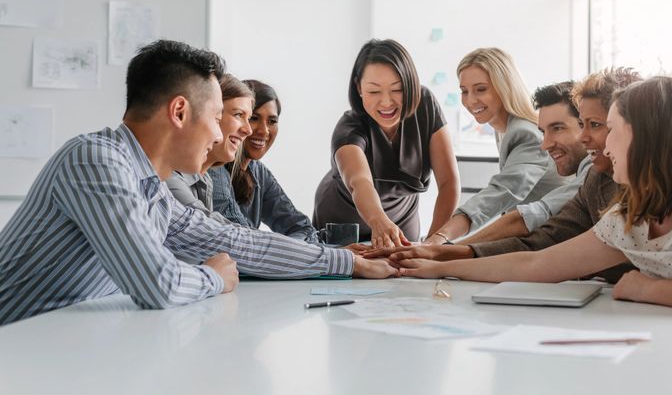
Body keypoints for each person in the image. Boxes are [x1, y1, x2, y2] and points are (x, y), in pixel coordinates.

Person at [0, 40, 396, 326]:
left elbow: (239, 242)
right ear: (179, 111)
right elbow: (157, 283)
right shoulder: (96, 161)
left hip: (55, 344)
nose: (220, 134)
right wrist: (213, 277)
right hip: (18, 348)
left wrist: (347, 262)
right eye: (216, 116)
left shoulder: (150, 187)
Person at [397, 76, 672, 346]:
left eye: (611, 129)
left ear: (643, 135)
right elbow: (536, 266)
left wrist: (647, 288)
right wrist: (437, 267)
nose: (604, 148)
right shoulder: (633, 207)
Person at [370, 68, 639, 284]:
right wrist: (439, 256)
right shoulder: (596, 179)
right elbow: (539, 245)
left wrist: (440, 251)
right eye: (464, 91)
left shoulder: (526, 134)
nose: (545, 144)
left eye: (594, 125)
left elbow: (519, 211)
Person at [313, 39, 460, 249]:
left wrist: (434, 242)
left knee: (406, 272)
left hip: (402, 216)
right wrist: (379, 221)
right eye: (374, 91)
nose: (386, 102)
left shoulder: (425, 105)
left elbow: (449, 183)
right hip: (342, 217)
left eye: (397, 89)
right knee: (346, 274)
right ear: (359, 88)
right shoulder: (348, 128)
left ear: (410, 84)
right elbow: (359, 181)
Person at [426, 76, 578, 246]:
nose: (470, 100)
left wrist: (444, 244)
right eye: (464, 91)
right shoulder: (503, 130)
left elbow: (507, 198)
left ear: (504, 88)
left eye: (481, 89)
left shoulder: (523, 132)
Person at [209, 80, 318, 242]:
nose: (263, 130)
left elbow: (301, 226)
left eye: (272, 121)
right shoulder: (214, 167)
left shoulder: (258, 171)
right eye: (254, 118)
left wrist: (310, 252)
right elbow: (246, 243)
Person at [166, 74, 253, 228]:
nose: (248, 130)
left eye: (249, 118)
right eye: (238, 115)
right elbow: (215, 230)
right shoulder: (169, 177)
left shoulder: (205, 180)